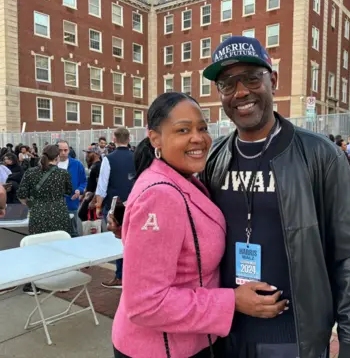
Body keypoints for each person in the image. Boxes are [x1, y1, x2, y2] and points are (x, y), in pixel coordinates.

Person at [200, 36, 350, 358]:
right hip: (226, 333)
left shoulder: (322, 156)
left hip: (293, 339)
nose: (241, 92)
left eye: (251, 78)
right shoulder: (215, 158)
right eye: (227, 84)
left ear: (272, 80)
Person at [112, 92, 287, 358]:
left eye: (203, 128)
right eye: (183, 130)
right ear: (155, 137)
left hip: (191, 341)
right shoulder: (160, 194)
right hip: (160, 349)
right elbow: (145, 303)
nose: (198, 138)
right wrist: (232, 301)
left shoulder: (185, 180)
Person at [17, 145, 73, 295]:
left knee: (37, 247)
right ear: (57, 158)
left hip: (38, 213)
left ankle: (33, 284)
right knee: (60, 247)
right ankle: (62, 281)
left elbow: (21, 194)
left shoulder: (30, 173)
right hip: (59, 212)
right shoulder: (63, 174)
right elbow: (69, 191)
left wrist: (32, 205)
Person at [95, 127, 135, 289]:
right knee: (133, 241)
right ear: (129, 138)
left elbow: (102, 186)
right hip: (134, 204)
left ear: (114, 138)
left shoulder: (108, 159)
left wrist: (98, 206)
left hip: (114, 206)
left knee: (118, 242)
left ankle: (120, 275)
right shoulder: (136, 157)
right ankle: (132, 275)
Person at [57, 140, 87, 237]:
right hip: (55, 205)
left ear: (69, 150)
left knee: (73, 232)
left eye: (65, 150)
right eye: (60, 150)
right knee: (57, 233)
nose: (63, 153)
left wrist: (79, 190)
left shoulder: (77, 164)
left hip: (71, 203)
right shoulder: (52, 165)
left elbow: (84, 181)